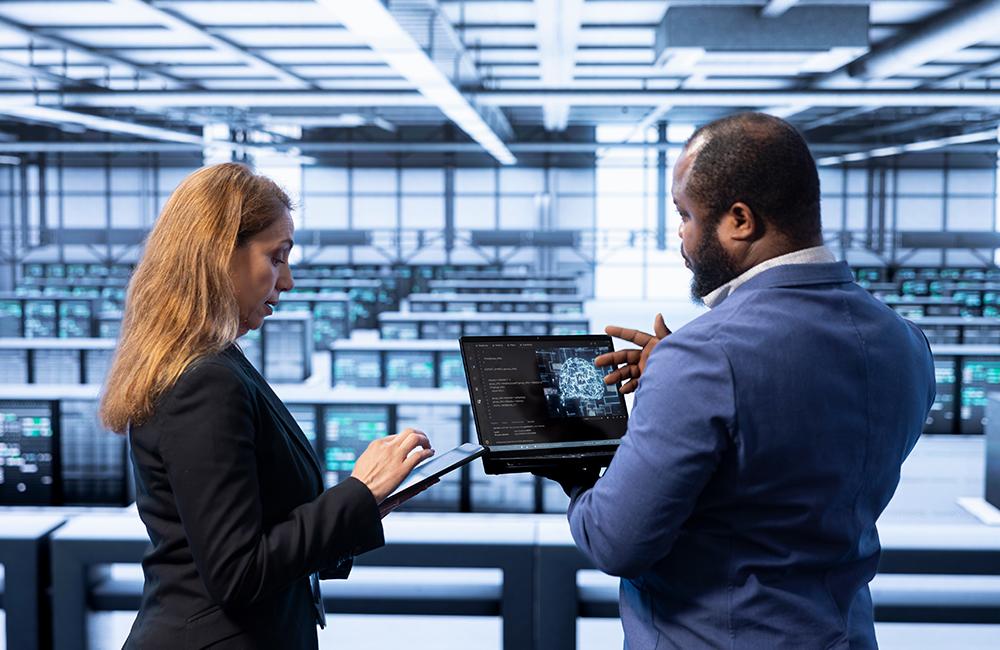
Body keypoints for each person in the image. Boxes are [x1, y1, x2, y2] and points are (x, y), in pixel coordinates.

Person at [547, 113, 936, 649]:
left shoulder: (702, 360)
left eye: (684, 215)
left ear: (739, 220)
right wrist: (674, 373)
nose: (679, 235)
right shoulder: (905, 342)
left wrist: (575, 469)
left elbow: (616, 543)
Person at [99, 162, 434, 649]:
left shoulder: (211, 362)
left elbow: (258, 528)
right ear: (219, 256)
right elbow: (238, 572)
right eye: (277, 257)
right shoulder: (205, 381)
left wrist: (366, 505)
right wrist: (357, 492)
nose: (288, 281)